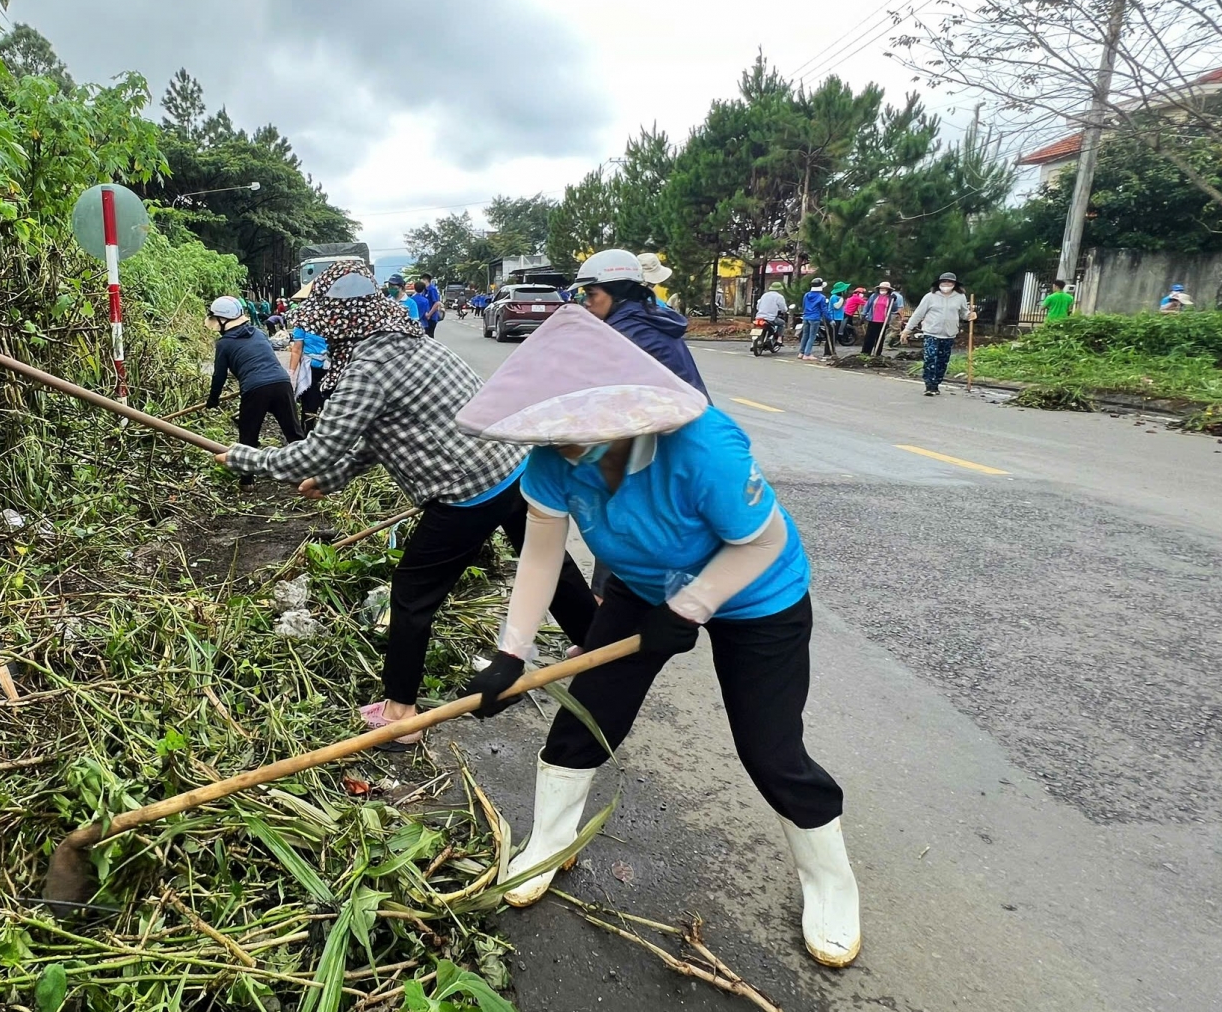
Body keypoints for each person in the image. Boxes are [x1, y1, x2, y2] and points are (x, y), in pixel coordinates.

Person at [452, 305, 860, 968]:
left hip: (758, 595)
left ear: (614, 409)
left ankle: (830, 881)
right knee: (585, 716)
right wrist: (510, 651)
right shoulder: (557, 457)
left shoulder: (701, 447)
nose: (550, 436)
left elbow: (764, 541)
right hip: (644, 588)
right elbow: (541, 554)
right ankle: (549, 843)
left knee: (770, 748)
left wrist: (694, 605)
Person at [218, 262, 596, 747]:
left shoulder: (368, 368)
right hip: (516, 466)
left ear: (338, 319)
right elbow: (377, 439)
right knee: (547, 562)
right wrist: (330, 479)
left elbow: (316, 450)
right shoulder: (410, 339)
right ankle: (595, 639)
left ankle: (401, 712)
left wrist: (247, 457)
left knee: (413, 592)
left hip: (467, 488)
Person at [572, 249, 709, 398]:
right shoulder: (646, 316)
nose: (586, 302)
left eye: (591, 294)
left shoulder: (629, 334)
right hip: (691, 413)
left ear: (617, 293)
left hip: (681, 417)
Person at [206, 296, 303, 445]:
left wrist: (213, 398)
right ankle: (308, 464)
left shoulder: (224, 344)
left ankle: (246, 467)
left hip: (255, 388)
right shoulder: (259, 333)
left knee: (248, 439)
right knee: (295, 434)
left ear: (223, 320)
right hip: (282, 383)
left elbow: (219, 375)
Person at [900, 272, 976, 396]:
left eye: (950, 282)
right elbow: (918, 314)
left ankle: (936, 384)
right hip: (931, 332)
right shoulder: (930, 297)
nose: (947, 284)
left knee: (942, 361)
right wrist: (907, 330)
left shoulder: (960, 297)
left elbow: (963, 313)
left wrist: (970, 316)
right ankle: (929, 385)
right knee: (930, 358)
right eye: (944, 282)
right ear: (939, 284)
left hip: (949, 334)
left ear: (954, 284)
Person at [287, 285, 330, 429]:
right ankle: (306, 436)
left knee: (330, 407)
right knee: (309, 407)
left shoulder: (336, 318)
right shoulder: (303, 322)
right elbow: (296, 349)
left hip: (332, 369)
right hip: (311, 369)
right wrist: (292, 374)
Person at [798, 278, 832, 360]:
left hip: (806, 317)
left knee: (805, 335)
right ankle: (807, 354)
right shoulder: (822, 297)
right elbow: (824, 310)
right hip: (815, 318)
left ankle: (801, 353)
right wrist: (830, 319)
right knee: (812, 336)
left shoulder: (806, 295)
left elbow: (803, 305)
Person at [862, 281, 899, 354]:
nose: (883, 290)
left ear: (888, 290)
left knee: (880, 337)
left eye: (885, 288)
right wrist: (863, 315)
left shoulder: (890, 298)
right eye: (881, 288)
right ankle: (866, 353)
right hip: (873, 319)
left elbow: (894, 309)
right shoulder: (874, 296)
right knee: (869, 337)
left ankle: (877, 353)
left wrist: (894, 301)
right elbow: (867, 306)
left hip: (883, 321)